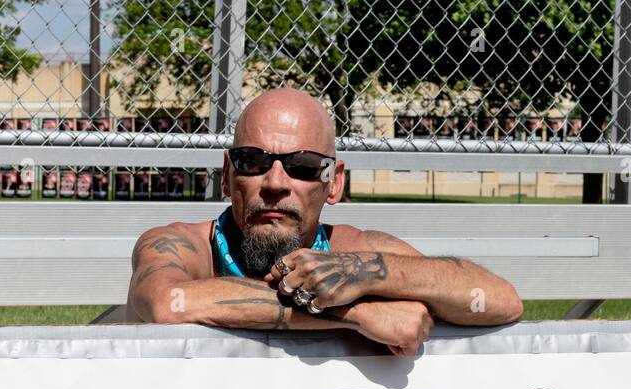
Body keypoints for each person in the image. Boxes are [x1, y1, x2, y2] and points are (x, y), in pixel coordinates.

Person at [125, 88, 524, 356]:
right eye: (253, 162)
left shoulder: (352, 250)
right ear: (227, 174)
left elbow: (502, 301)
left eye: (302, 167)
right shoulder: (184, 245)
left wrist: (367, 275)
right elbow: (167, 303)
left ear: (333, 183)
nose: (276, 183)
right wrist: (359, 314)